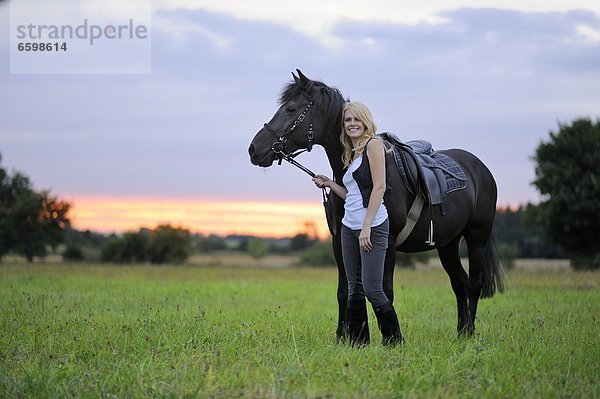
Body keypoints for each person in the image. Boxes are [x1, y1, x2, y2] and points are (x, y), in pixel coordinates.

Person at [312, 101, 403, 347]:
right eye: (347, 120)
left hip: (371, 226)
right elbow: (352, 193)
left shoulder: (374, 145)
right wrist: (329, 184)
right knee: (354, 287)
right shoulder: (352, 152)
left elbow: (380, 187)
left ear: (365, 121)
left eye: (356, 120)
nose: (352, 124)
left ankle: (395, 341)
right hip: (348, 226)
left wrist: (366, 226)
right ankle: (359, 343)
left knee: (373, 289)